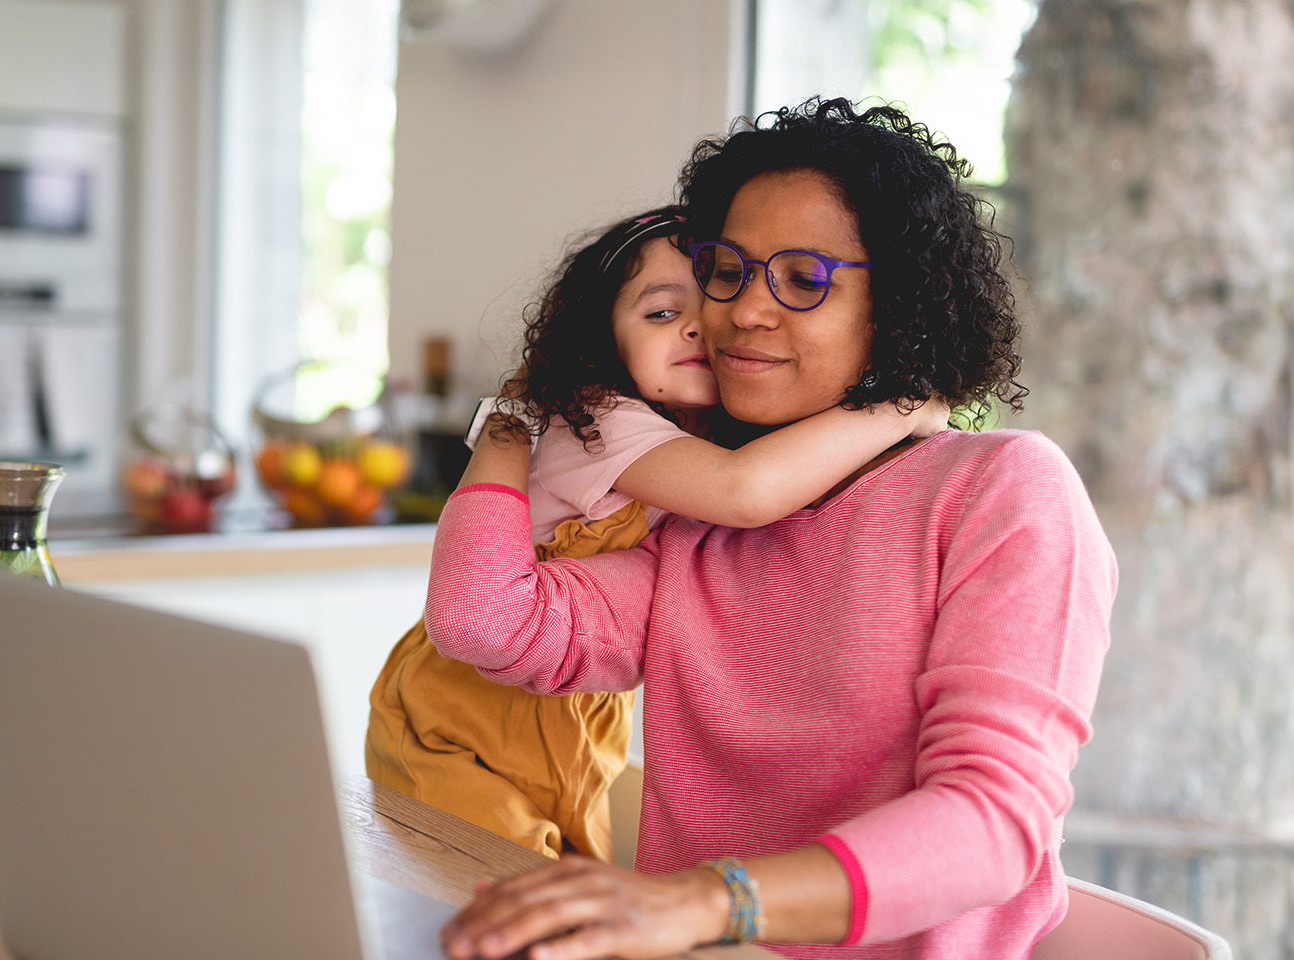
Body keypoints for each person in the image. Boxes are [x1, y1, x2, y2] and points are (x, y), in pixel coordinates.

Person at [428, 98, 1115, 960]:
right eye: (728, 270)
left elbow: (993, 824)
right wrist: (512, 417)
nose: (743, 312)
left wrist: (706, 904)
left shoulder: (1000, 487)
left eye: (802, 278)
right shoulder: (695, 520)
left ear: (896, 305)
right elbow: (484, 619)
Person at [365, 207, 945, 861]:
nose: (700, 325)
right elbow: (744, 492)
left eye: (712, 304)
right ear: (603, 343)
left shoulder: (688, 437)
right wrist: (903, 405)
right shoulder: (597, 417)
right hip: (457, 725)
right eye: (662, 313)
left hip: (571, 726)